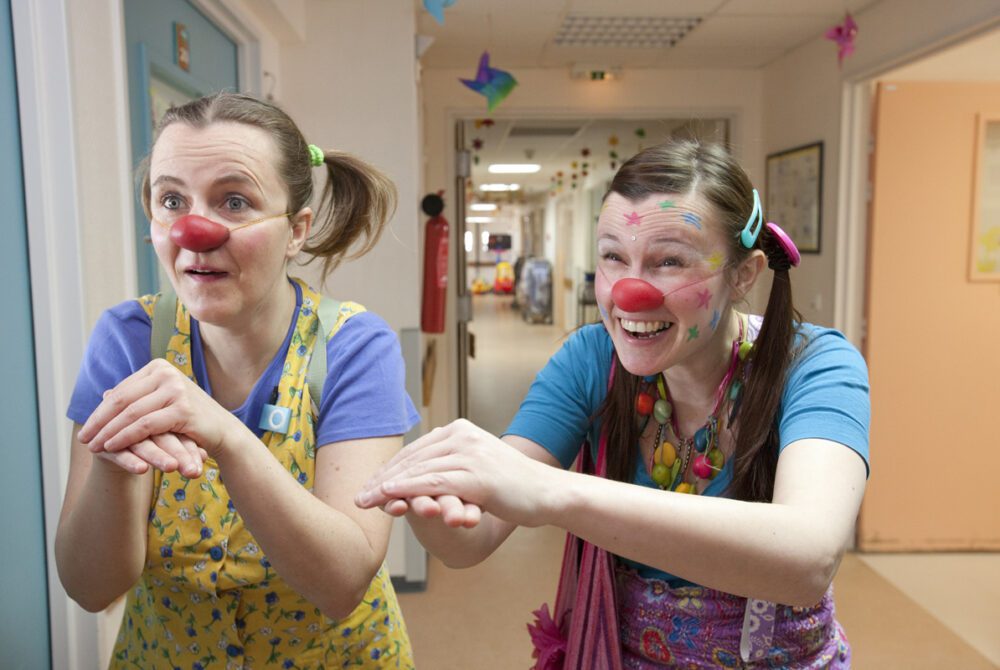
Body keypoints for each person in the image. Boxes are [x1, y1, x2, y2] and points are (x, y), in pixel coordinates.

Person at [357, 140, 869, 668]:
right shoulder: (590, 359)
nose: (628, 292)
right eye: (613, 257)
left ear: (744, 274)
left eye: (669, 261)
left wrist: (554, 492)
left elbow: (806, 561)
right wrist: (434, 502)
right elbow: (473, 541)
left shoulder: (815, 366)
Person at [56, 92, 418, 668]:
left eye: (234, 201)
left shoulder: (354, 347)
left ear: (296, 231)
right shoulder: (127, 341)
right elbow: (90, 588)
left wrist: (226, 437)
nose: (193, 230)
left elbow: (342, 582)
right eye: (172, 200)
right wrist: (112, 459)